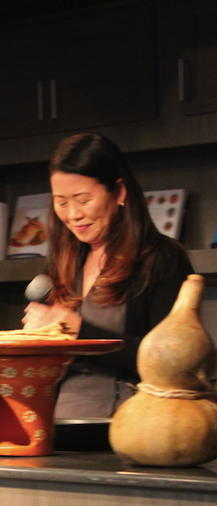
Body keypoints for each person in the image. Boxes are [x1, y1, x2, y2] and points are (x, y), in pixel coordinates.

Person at [22, 133, 194, 418]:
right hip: (57, 427)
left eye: (83, 199)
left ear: (120, 192)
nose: (73, 214)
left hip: (134, 428)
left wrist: (80, 332)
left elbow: (174, 360)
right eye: (62, 202)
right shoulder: (66, 261)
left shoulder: (162, 259)